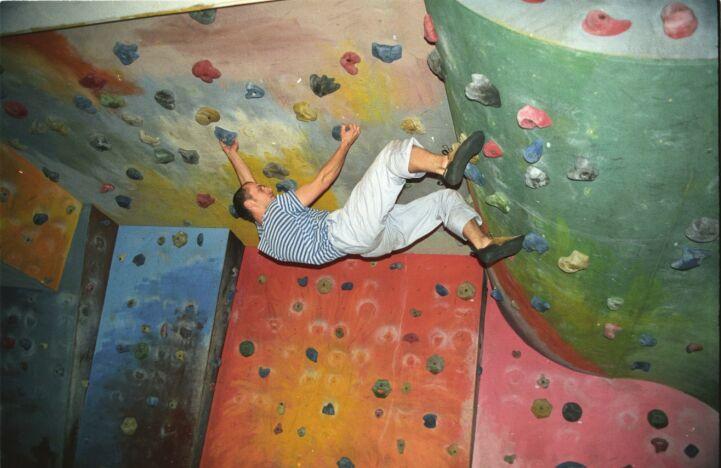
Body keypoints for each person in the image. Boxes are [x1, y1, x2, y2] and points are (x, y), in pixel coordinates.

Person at [220, 124, 524, 267]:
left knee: (443, 202)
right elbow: (323, 180)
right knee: (392, 157)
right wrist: (345, 143)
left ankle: (482, 243)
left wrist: (233, 155)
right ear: (252, 205)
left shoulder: (267, 241)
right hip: (346, 230)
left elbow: (246, 187)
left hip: (369, 248)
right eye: (260, 190)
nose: (267, 188)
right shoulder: (277, 211)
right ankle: (446, 164)